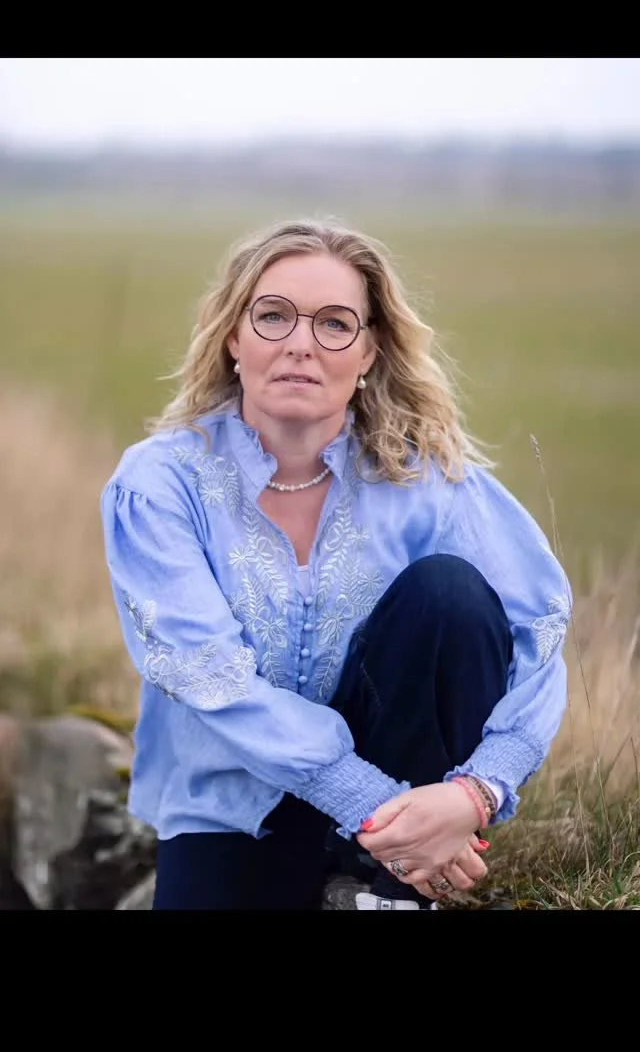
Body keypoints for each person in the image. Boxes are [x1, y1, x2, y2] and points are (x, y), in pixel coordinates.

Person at [100, 216, 571, 911]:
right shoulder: (159, 485)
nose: (301, 344)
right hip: (232, 810)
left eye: (334, 324)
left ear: (369, 351)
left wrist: (476, 792)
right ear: (233, 337)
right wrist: (381, 810)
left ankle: (393, 895)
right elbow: (209, 674)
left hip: (401, 811)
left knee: (449, 592)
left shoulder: (427, 479)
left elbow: (541, 628)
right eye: (273, 316)